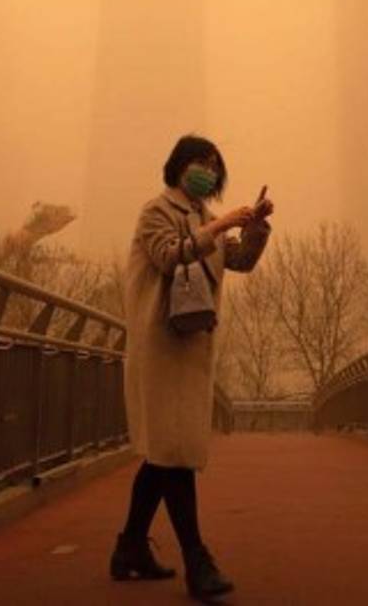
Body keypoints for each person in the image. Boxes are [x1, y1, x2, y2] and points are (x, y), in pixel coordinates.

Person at [110, 134, 274, 601]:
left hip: (191, 347)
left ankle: (129, 549)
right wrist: (221, 225)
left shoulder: (205, 219)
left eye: (213, 165)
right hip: (161, 348)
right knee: (174, 453)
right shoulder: (155, 211)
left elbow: (238, 261)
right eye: (198, 162)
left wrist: (255, 227)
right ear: (178, 166)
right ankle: (197, 560)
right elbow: (168, 255)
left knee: (164, 452)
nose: (206, 171)